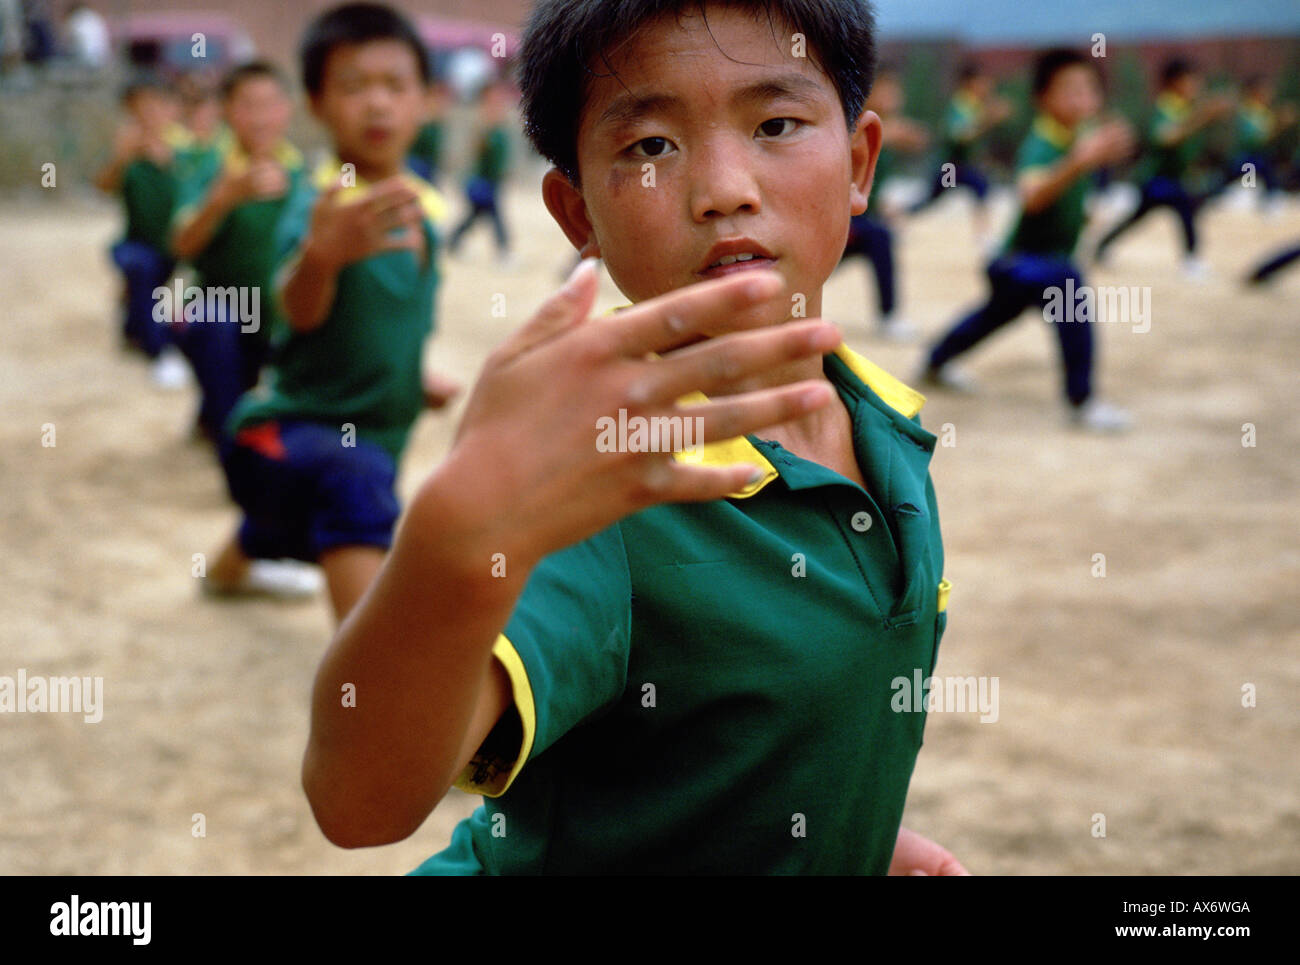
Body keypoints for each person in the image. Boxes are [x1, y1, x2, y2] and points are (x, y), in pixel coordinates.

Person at [304, 0, 965, 876]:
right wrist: (456, 537)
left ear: (858, 161)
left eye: (776, 123)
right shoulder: (606, 479)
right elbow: (359, 801)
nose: (724, 186)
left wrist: (847, 833)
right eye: (650, 146)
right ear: (576, 214)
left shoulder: (884, 425)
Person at [201, 3, 459, 612]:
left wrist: (411, 378)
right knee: (354, 488)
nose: (377, 104)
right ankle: (370, 685)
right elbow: (299, 309)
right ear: (316, 104)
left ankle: (226, 573)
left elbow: (386, 326)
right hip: (282, 437)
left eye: (395, 85)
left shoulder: (423, 218)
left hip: (349, 443)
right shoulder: (320, 206)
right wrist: (320, 257)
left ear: (426, 100)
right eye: (352, 86)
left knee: (290, 515)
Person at [920, 49, 1135, 432]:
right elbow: (1032, 195)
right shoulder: (1042, 143)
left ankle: (935, 361)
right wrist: (1079, 163)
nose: (1082, 97)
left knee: (993, 316)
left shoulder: (1079, 138)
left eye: (1089, 89)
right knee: (1068, 288)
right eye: (1070, 90)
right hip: (1021, 263)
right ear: (1042, 99)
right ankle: (1083, 401)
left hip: (1032, 265)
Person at [170, 61, 304, 442]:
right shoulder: (209, 166)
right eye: (248, 105)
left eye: (271, 104)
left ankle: (226, 410)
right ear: (227, 110)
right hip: (220, 308)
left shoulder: (303, 176)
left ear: (287, 109)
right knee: (214, 323)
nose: (261, 118)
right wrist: (222, 199)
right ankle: (230, 431)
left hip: (278, 319)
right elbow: (180, 244)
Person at [1093, 58, 1232, 277]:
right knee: (1180, 208)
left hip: (1174, 179)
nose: (1195, 86)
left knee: (1145, 216)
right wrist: (1202, 117)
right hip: (1155, 180)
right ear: (1174, 83)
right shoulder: (1164, 108)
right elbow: (1167, 138)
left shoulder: (1185, 109)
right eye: (1190, 81)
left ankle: (1103, 245)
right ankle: (1191, 260)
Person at [93, 76, 190, 388]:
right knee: (142, 269)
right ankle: (158, 350)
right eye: (140, 108)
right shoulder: (127, 150)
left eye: (156, 106)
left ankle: (134, 327)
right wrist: (123, 157)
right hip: (136, 244)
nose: (149, 115)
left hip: (176, 245)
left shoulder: (185, 150)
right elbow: (103, 187)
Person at [840, 65, 928, 341]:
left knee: (880, 236)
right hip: (833, 221)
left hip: (857, 219)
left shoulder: (883, 131)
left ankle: (889, 316)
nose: (895, 95)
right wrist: (891, 134)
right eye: (887, 89)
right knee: (879, 237)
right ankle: (890, 318)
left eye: (896, 89)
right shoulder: (847, 121)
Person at [908, 63, 1012, 244]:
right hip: (950, 166)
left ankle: (984, 235)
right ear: (970, 83)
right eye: (982, 82)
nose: (986, 86)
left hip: (961, 166)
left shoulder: (974, 105)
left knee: (982, 188)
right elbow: (960, 135)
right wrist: (987, 120)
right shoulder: (961, 105)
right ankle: (895, 215)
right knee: (929, 200)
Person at [447, 78, 513, 263]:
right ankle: (503, 251)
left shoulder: (499, 124)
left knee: (473, 216)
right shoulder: (483, 124)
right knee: (495, 217)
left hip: (493, 180)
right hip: (485, 181)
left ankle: (452, 241)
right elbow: (477, 154)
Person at [407, 79, 451, 185]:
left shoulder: (438, 127)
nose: (441, 106)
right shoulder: (422, 124)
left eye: (444, 102)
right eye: (437, 101)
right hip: (416, 168)